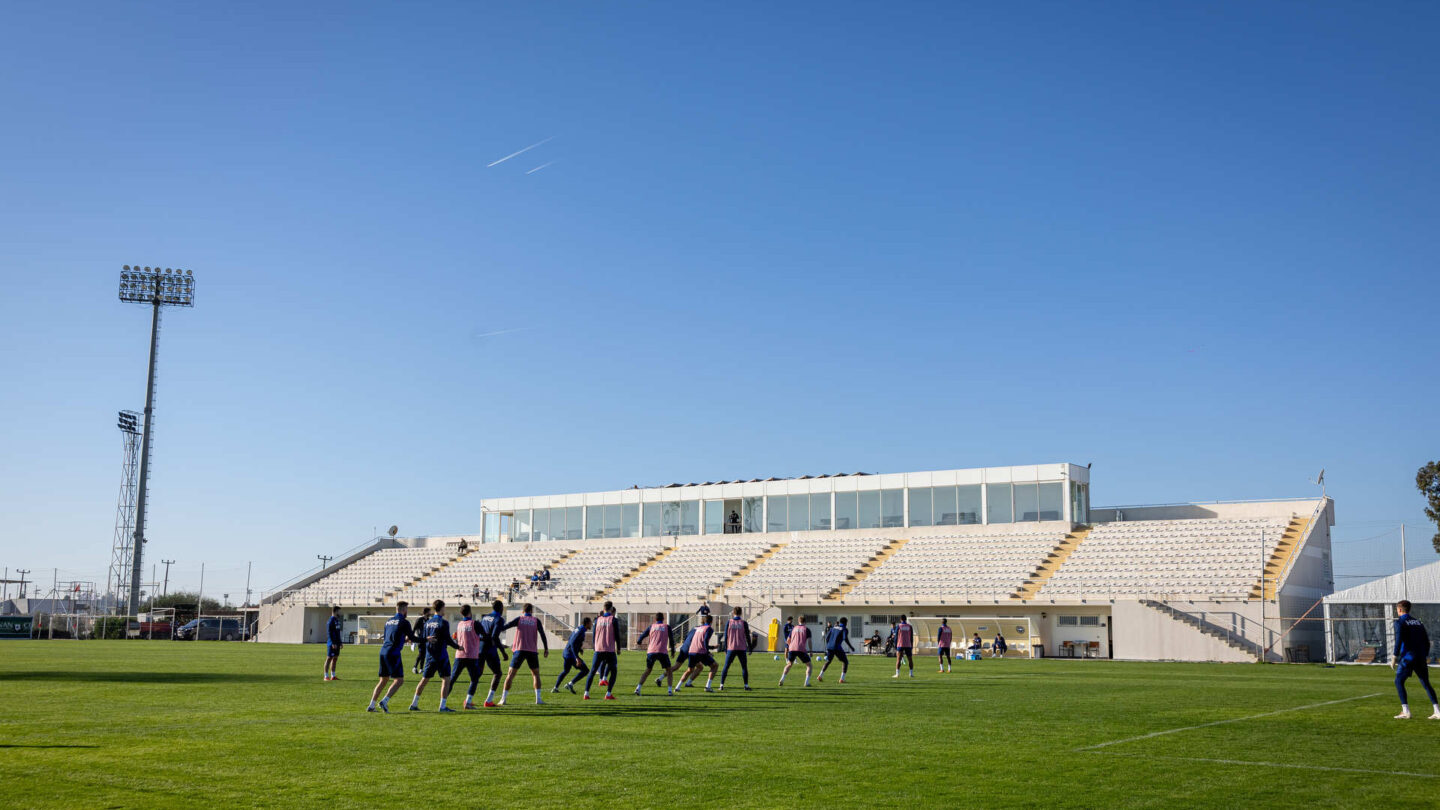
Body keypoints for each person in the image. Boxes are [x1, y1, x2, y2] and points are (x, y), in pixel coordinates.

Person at [1391, 600, 1439, 720]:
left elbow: (1399, 640)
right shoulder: (1418, 622)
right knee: (1426, 683)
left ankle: (1406, 711)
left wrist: (1394, 656)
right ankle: (1437, 711)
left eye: (1397, 609)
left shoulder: (1400, 622)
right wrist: (1425, 655)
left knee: (1398, 681)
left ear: (1400, 610)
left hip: (1408, 657)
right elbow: (1426, 641)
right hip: (1420, 657)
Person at [411, 600, 461, 712]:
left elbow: (423, 638)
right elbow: (448, 640)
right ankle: (442, 706)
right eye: (444, 608)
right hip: (441, 655)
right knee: (446, 679)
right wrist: (458, 647)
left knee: (424, 680)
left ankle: (414, 703)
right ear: (441, 608)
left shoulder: (427, 623)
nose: (445, 610)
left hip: (430, 655)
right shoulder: (444, 623)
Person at [368, 601, 416, 712]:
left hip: (383, 651)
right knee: (399, 680)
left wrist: (404, 640)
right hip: (393, 653)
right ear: (404, 610)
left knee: (383, 680)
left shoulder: (389, 621)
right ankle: (384, 701)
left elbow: (388, 638)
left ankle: (371, 705)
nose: (407, 612)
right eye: (406, 609)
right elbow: (413, 638)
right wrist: (426, 639)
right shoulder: (404, 622)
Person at [498, 602, 549, 706]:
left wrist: (497, 626)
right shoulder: (536, 621)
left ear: (523, 611)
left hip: (519, 650)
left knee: (510, 675)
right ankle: (538, 699)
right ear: (531, 611)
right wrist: (546, 648)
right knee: (535, 675)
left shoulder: (519, 619)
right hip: (532, 651)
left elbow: (505, 627)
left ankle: (503, 699)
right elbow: (542, 634)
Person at [443, 604, 484, 709]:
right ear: (470, 612)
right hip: (471, 655)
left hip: (459, 655)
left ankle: (442, 702)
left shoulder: (460, 624)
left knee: (452, 680)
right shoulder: (475, 623)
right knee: (474, 679)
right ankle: (468, 702)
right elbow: (485, 636)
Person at [584, 601, 620, 700]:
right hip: (609, 649)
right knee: (614, 671)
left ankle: (586, 694)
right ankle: (608, 694)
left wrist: (594, 647)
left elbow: (594, 634)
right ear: (611, 609)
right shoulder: (614, 620)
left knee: (592, 671)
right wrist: (619, 648)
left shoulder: (597, 620)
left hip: (598, 649)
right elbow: (617, 636)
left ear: (603, 608)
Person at [477, 599, 510, 707]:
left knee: (478, 673)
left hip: (480, 647)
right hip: (489, 648)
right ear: (500, 608)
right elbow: (495, 637)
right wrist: (503, 652)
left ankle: (468, 699)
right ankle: (489, 700)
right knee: (497, 673)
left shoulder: (485, 617)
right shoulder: (499, 619)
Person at [635, 613, 676, 696]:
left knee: (648, 670)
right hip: (662, 651)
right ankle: (669, 691)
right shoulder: (667, 627)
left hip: (651, 651)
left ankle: (638, 688)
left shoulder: (651, 627)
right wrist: (673, 650)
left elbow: (643, 635)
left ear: (655, 619)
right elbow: (671, 639)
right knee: (669, 670)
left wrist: (639, 641)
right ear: (663, 619)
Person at [680, 614, 719, 692]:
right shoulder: (709, 629)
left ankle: (678, 687)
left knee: (691, 669)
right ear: (711, 621)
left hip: (691, 651)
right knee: (714, 666)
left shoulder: (698, 628)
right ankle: (708, 687)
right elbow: (705, 641)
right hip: (700, 651)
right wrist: (709, 650)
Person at [719, 607, 755, 691]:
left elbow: (726, 636)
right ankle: (746, 685)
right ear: (741, 613)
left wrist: (725, 648)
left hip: (731, 648)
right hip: (741, 648)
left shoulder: (729, 622)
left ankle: (721, 685)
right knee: (744, 667)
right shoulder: (744, 623)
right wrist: (750, 647)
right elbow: (747, 636)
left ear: (733, 613)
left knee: (726, 667)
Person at [553, 618, 592, 694]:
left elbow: (570, 638)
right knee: (585, 670)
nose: (591, 625)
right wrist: (577, 658)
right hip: (571, 655)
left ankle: (555, 688)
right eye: (590, 623)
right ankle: (570, 684)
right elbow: (573, 644)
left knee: (566, 671)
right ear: (587, 623)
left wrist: (579, 648)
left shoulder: (579, 628)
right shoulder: (581, 631)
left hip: (566, 653)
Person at [818, 617, 855, 683]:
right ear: (845, 623)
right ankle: (842, 679)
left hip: (829, 647)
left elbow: (827, 638)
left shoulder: (833, 628)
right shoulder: (844, 629)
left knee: (828, 661)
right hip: (837, 647)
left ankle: (820, 676)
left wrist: (829, 645)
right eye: (847, 622)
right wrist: (851, 647)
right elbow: (845, 639)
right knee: (845, 662)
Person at [778, 618, 812, 687]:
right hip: (801, 649)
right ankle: (806, 682)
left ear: (798, 621)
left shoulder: (794, 628)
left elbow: (788, 640)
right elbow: (809, 641)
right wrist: (811, 651)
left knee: (789, 664)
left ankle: (782, 679)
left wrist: (791, 646)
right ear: (805, 622)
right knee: (809, 665)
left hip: (792, 648)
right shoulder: (806, 629)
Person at [324, 606, 343, 681]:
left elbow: (338, 633)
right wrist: (332, 643)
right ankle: (325, 676)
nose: (339, 613)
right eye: (339, 611)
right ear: (335, 611)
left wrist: (340, 642)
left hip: (337, 643)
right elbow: (329, 633)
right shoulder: (330, 621)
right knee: (329, 658)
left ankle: (333, 676)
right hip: (332, 643)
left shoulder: (337, 620)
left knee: (335, 659)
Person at [411, 607, 432, 674]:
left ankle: (421, 669)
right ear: (426, 612)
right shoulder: (419, 620)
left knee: (424, 654)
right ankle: (414, 667)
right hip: (420, 639)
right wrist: (413, 639)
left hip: (427, 639)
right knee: (421, 654)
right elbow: (414, 629)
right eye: (429, 612)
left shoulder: (428, 620)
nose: (430, 613)